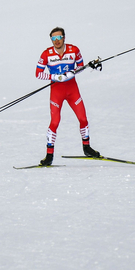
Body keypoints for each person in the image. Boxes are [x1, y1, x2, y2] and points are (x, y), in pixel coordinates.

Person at [35, 27, 100, 166]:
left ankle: (87, 147)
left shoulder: (74, 50)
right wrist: (55, 77)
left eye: (59, 38)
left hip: (72, 90)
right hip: (56, 91)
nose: (56, 41)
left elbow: (81, 66)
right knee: (55, 122)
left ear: (64, 37)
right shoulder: (46, 54)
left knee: (83, 118)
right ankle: (49, 156)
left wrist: (73, 72)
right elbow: (38, 73)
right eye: (53, 39)